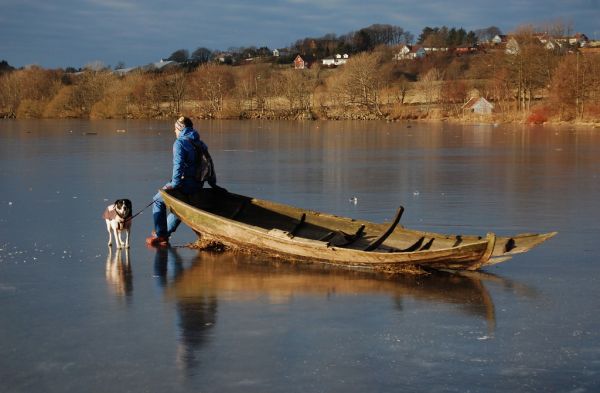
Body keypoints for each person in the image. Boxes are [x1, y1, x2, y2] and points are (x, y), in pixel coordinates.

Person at [146, 116, 223, 247]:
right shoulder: (200, 143)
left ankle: (161, 235)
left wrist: (174, 185)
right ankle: (165, 232)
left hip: (184, 184)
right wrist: (212, 183)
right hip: (198, 184)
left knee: (158, 200)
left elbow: (178, 166)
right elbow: (210, 164)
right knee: (180, 205)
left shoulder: (180, 143)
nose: (174, 132)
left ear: (180, 128)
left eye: (175, 129)